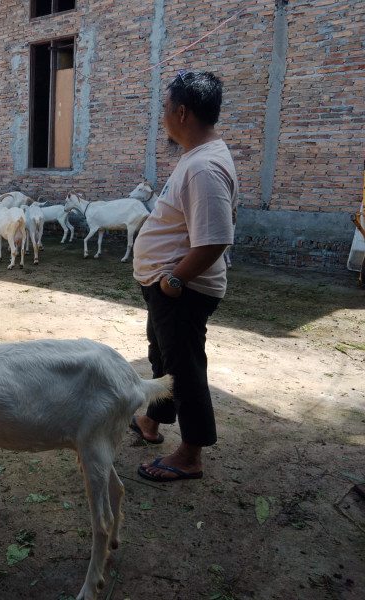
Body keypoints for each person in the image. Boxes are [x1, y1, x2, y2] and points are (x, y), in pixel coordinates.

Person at [131, 70, 238, 482]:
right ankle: (152, 423)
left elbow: (214, 241)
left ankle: (190, 455)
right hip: (168, 289)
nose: (162, 116)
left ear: (180, 111)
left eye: (164, 107)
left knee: (185, 369)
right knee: (163, 359)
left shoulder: (204, 168)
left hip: (182, 290)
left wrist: (173, 281)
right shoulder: (197, 158)